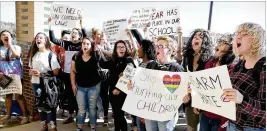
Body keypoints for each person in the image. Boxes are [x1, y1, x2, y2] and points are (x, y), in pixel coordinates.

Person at [223, 22, 266, 131]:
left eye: (245, 33)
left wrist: (242, 100)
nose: (238, 36)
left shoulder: (264, 68)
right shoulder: (236, 66)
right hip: (231, 125)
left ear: (257, 40)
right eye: (237, 33)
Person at [48, 17, 87, 124]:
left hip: (79, 74)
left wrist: (81, 24)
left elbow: (87, 37)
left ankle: (80, 116)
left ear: (79, 35)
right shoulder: (67, 44)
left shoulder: (82, 45)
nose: (73, 34)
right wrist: (50, 25)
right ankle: (70, 115)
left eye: (75, 33)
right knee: (70, 95)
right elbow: (53, 39)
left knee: (79, 95)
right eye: (72, 33)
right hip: (67, 73)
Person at [197, 34, 236, 131]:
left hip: (220, 117)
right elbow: (203, 87)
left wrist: (224, 121)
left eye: (224, 43)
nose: (219, 45)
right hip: (206, 114)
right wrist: (197, 104)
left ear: (230, 48)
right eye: (220, 42)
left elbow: (229, 98)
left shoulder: (232, 68)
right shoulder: (209, 64)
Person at [99, 40, 136, 131]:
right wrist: (99, 50)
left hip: (122, 92)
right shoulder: (113, 60)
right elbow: (102, 64)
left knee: (120, 114)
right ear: (115, 50)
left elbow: (130, 74)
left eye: (122, 47)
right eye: (118, 47)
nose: (120, 49)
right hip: (112, 91)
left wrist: (119, 89)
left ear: (126, 49)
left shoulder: (128, 60)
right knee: (116, 113)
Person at [182, 28, 213, 131]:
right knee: (191, 128)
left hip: (203, 104)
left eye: (200, 37)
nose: (196, 38)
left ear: (205, 42)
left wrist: (199, 103)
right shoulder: (187, 58)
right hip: (189, 101)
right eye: (194, 36)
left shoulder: (210, 60)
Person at [28, 32, 60, 131]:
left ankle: (52, 126)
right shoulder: (33, 54)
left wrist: (41, 74)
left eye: (41, 37)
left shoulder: (51, 55)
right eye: (37, 37)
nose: (38, 39)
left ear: (45, 40)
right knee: (40, 104)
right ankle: (44, 124)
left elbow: (56, 72)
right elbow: (30, 68)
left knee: (50, 104)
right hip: (35, 83)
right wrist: (31, 72)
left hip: (48, 84)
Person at [71, 37, 102, 131]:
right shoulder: (76, 56)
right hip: (80, 87)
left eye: (88, 44)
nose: (85, 45)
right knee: (81, 108)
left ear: (91, 46)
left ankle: (93, 126)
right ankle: (80, 126)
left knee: (92, 108)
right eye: (84, 43)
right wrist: (73, 85)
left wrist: (97, 44)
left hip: (94, 87)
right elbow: (72, 72)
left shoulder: (95, 56)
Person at [0, 30, 29, 124]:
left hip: (16, 75)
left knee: (19, 96)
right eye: (3, 35)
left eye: (7, 35)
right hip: (4, 76)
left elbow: (16, 55)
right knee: (7, 95)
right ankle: (8, 115)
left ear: (11, 38)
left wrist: (10, 45)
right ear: (1, 38)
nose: (5, 36)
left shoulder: (17, 47)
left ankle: (25, 116)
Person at [52, 30, 70, 115]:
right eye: (65, 38)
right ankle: (61, 107)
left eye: (68, 38)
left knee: (68, 90)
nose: (67, 39)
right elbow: (53, 57)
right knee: (60, 90)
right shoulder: (57, 47)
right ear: (61, 38)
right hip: (60, 72)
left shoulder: (71, 46)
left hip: (70, 73)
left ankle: (67, 108)